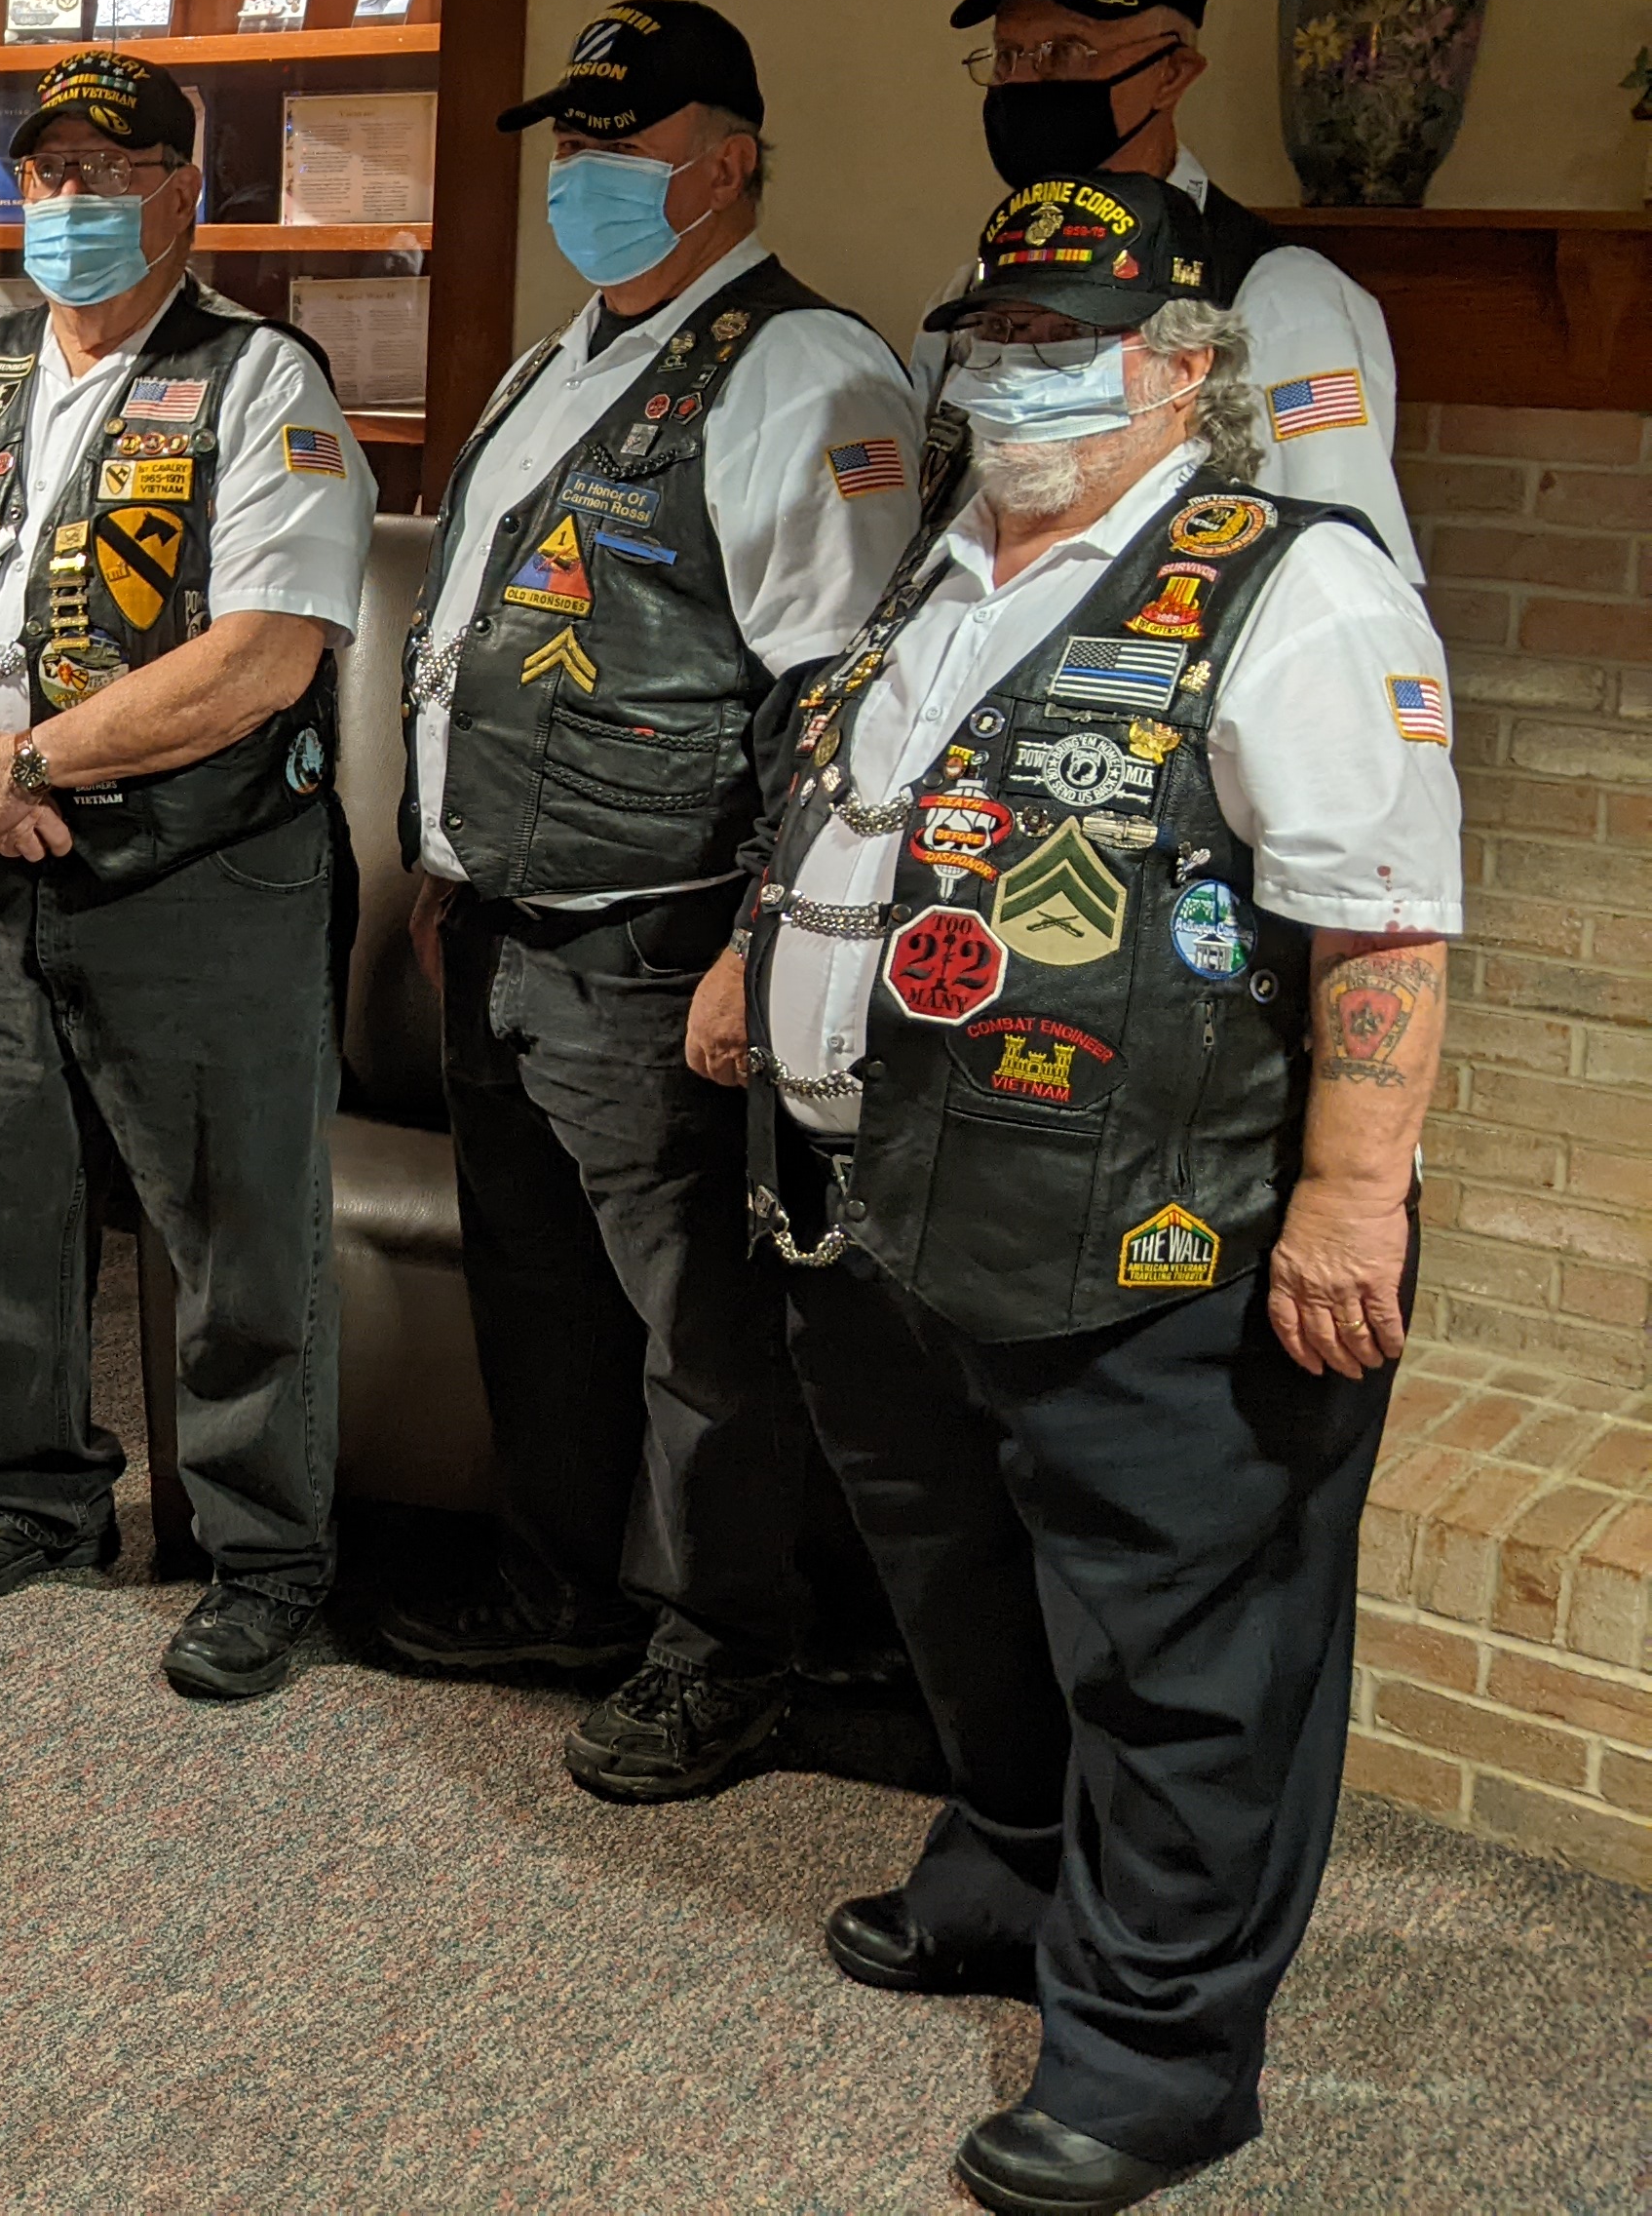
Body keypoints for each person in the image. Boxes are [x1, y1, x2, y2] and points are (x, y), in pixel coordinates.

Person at [715, 171, 1456, 2215]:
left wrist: (1352, 1201)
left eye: (1070, 338)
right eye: (995, 333)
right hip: (893, 1198)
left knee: (1183, 1659)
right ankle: (1009, 1872)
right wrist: (751, 961)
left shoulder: (1294, 584)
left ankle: (1155, 2054)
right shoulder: (949, 559)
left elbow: (1381, 923)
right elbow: (854, 797)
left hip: (1157, 1221)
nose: (1015, 370)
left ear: (1186, 370)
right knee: (963, 1596)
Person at [375, 0, 924, 1802]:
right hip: (502, 925)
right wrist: (443, 861)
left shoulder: (801, 370)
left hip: (655, 938)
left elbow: (836, 702)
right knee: (542, 1295)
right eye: (573, 142)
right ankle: (558, 1590)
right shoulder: (565, 358)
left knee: (703, 1327)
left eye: (624, 142)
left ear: (728, 162)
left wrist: (759, 947)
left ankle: (726, 1650)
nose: (585, 174)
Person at [0, 48, 374, 1702]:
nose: (69, 199)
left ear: (179, 192)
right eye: (48, 171)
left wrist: (34, 763)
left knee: (232, 1225)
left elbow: (265, 655)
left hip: (200, 867)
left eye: (109, 171)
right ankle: (35, 1491)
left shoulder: (261, 378)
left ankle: (262, 1553)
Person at [932, 0, 1417, 573]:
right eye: (1009, 55)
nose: (1028, 82)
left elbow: (1337, 567)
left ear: (1171, 73)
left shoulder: (1279, 297)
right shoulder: (971, 290)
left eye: (1067, 51)